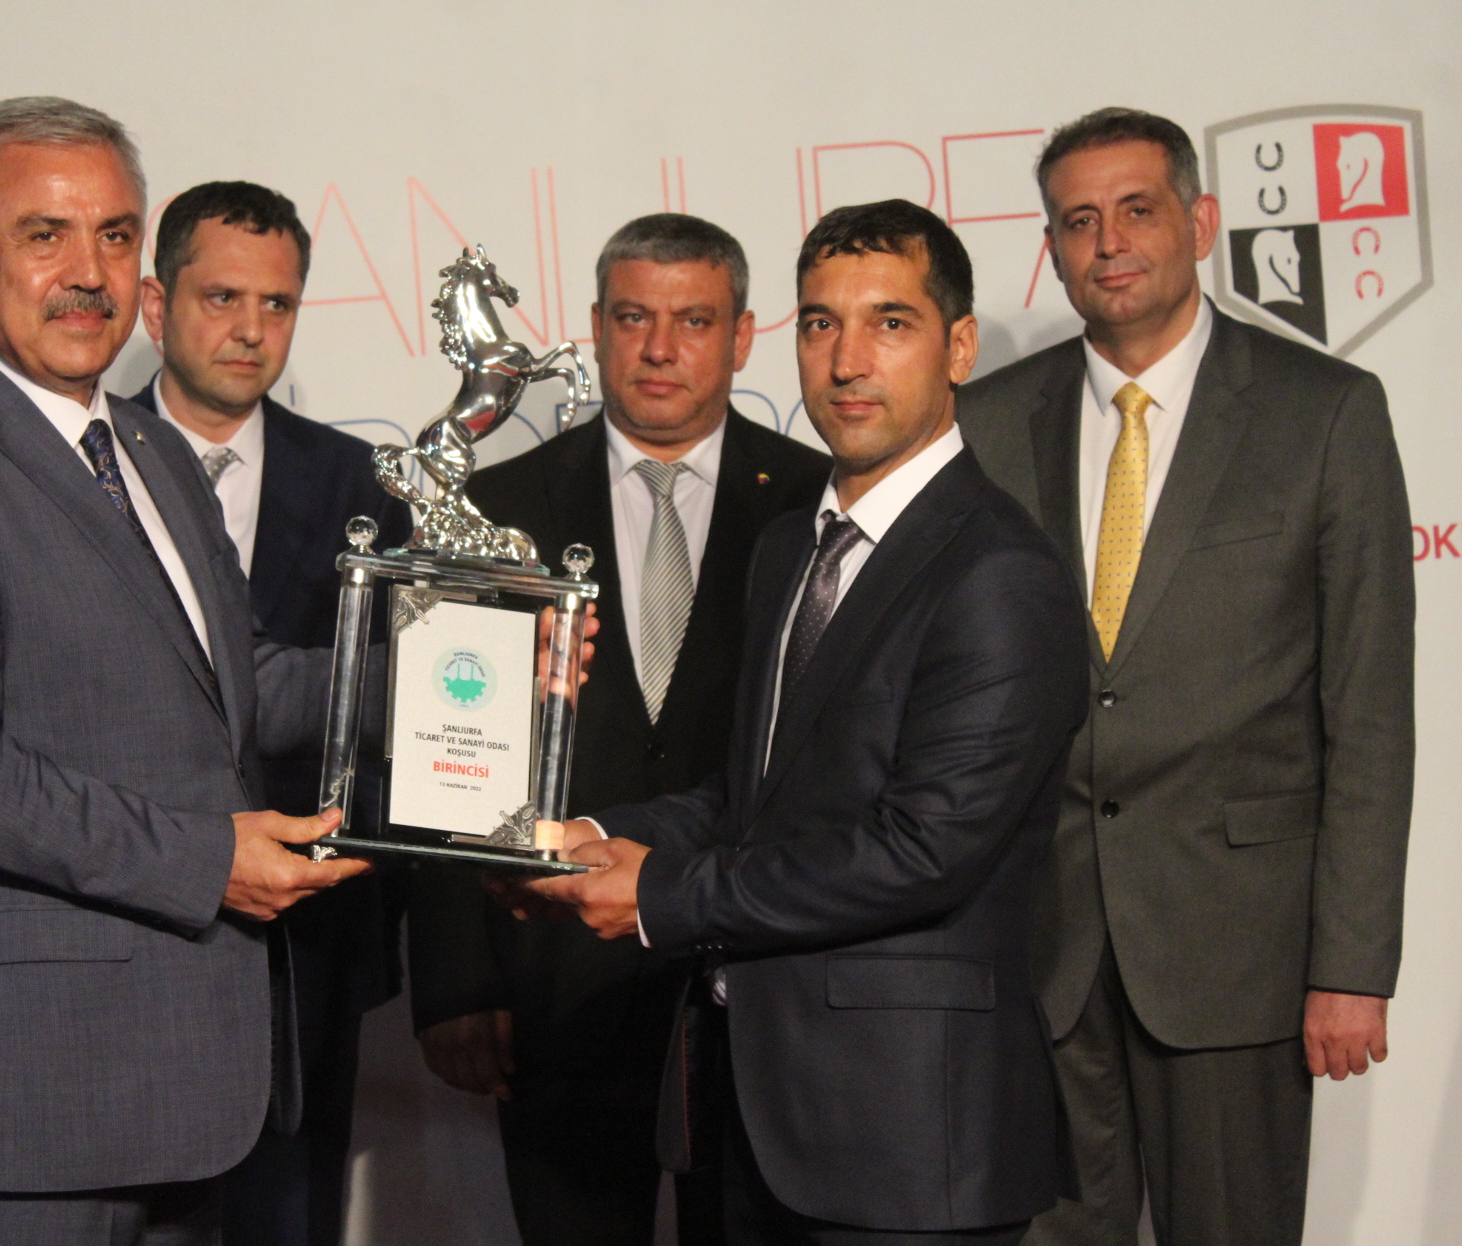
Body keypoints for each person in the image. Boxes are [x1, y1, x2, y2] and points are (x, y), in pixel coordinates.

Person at [0, 97, 379, 1246]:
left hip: (185, 1084)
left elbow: (238, 683)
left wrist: (451, 679)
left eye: (116, 236)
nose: (88, 272)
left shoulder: (149, 446)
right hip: (29, 1098)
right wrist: (207, 858)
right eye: (46, 235)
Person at [532, 200, 1090, 1245]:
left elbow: (921, 852)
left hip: (909, 1141)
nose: (846, 361)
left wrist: (660, 892)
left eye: (890, 322)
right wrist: (597, 836)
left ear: (959, 347)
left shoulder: (999, 572)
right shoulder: (792, 546)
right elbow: (757, 795)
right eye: (822, 323)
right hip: (754, 1117)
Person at [955, 108, 1414, 1246]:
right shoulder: (988, 423)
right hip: (1041, 953)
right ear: (1053, 248)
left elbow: (1369, 710)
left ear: (1200, 222)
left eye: (1137, 209)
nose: (1109, 241)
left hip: (1239, 945)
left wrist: (1352, 965)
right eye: (1078, 220)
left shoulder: (1325, 412)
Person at [404, 213, 829, 1246]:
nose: (660, 348)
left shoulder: (816, 501)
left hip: (758, 977)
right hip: (554, 985)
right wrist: (455, 980)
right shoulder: (493, 507)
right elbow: (439, 752)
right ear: (595, 328)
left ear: (743, 335)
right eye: (634, 318)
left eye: (695, 320)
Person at [131, 179, 413, 1246]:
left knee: (291, 1219)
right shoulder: (78, 466)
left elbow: (400, 709)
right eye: (222, 298)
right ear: (155, 305)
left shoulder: (361, 482)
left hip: (308, 943)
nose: (252, 329)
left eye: (278, 304)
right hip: (129, 918)